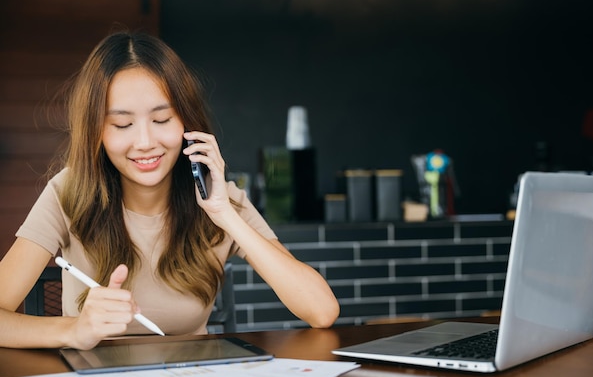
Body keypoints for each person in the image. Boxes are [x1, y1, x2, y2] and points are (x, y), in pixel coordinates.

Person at [0, 31, 339, 350]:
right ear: (97, 131)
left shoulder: (218, 198)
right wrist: (73, 331)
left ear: (186, 123)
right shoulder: (69, 193)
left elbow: (322, 311)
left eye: (162, 120)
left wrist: (226, 216)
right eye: (122, 124)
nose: (146, 143)